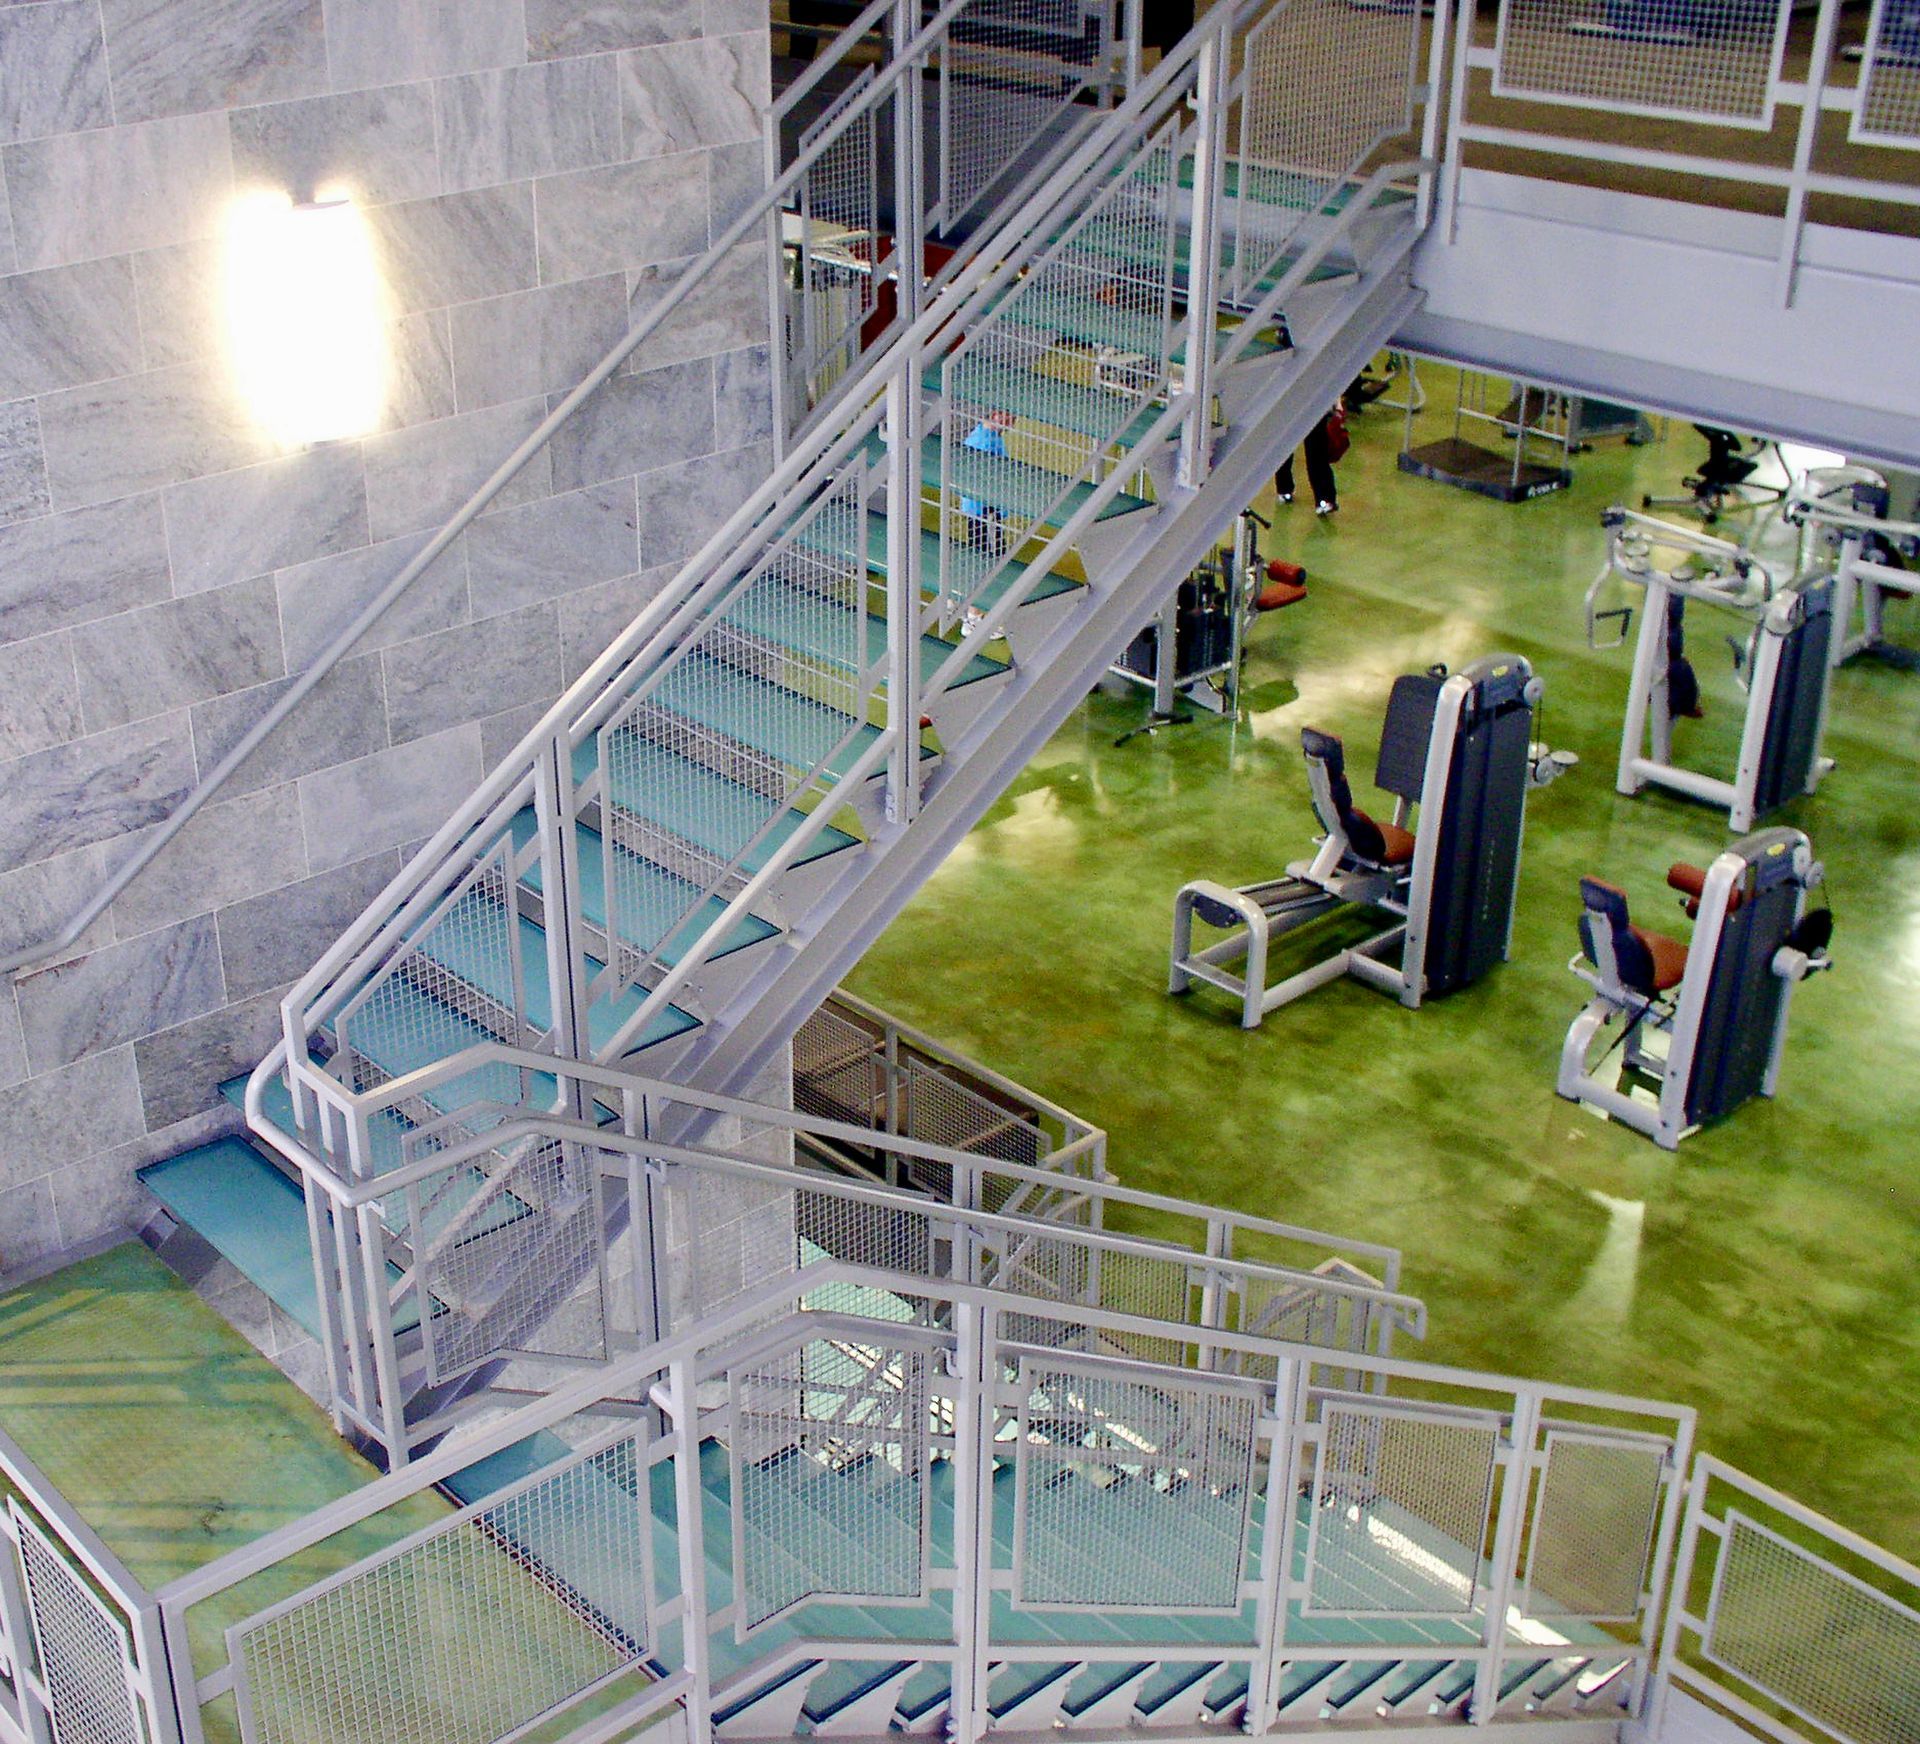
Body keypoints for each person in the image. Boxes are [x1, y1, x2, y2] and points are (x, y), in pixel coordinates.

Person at [961, 408, 1017, 553]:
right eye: (1007, 417)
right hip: (985, 507)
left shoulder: (987, 436)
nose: (1010, 422)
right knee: (991, 548)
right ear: (994, 415)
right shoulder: (985, 441)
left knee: (983, 543)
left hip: (982, 506)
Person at [1276, 410, 1339, 516]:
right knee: (1286, 443)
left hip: (1314, 404)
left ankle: (1324, 498)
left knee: (1317, 449)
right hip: (1289, 404)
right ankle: (1284, 488)